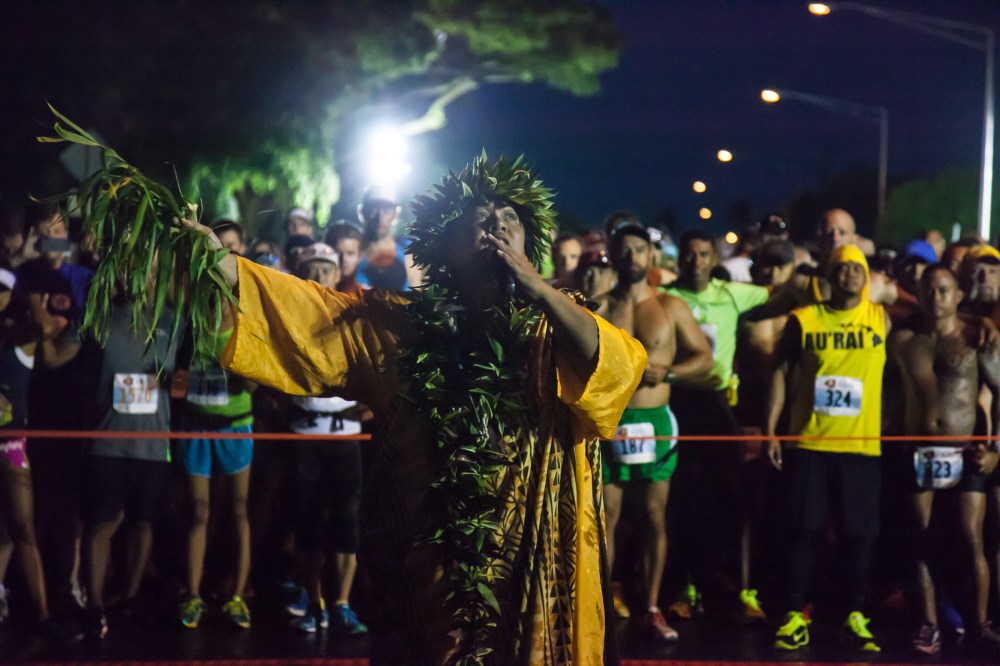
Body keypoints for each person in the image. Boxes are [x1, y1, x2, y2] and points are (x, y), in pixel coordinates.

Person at [177, 154, 645, 664]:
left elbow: (618, 366)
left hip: (536, 574)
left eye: (510, 217)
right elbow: (306, 311)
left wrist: (538, 289)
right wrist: (220, 261)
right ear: (445, 246)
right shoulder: (401, 331)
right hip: (433, 580)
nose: (497, 226)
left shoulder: (554, 327)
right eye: (481, 218)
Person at [767, 244, 890, 653]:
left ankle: (854, 614)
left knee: (859, 536)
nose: (849, 274)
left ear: (866, 276)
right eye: (842, 268)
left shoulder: (881, 318)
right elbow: (781, 372)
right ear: (829, 276)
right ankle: (793, 614)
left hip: (861, 446)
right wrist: (771, 430)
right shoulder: (803, 319)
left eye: (857, 268)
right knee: (804, 531)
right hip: (811, 442)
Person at [595, 224, 713, 642]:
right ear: (613, 255)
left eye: (639, 249)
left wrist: (670, 372)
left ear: (651, 256)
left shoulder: (670, 306)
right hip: (610, 421)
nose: (632, 257)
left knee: (652, 516)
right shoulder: (599, 306)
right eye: (624, 250)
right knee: (605, 518)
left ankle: (651, 607)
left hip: (655, 422)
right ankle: (599, 606)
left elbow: (705, 358)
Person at [889, 264, 1000, 654]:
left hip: (966, 451)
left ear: (957, 295)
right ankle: (928, 623)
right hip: (918, 449)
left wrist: (995, 449)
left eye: (943, 290)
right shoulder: (902, 339)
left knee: (971, 538)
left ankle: (981, 622)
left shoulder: (976, 340)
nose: (935, 297)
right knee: (922, 540)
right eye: (928, 290)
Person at [663, 228, 772, 618]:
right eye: (689, 254)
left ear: (714, 259)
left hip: (717, 403)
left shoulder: (732, 294)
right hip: (676, 401)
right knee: (679, 500)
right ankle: (684, 587)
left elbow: (780, 294)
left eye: (703, 254)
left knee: (730, 497)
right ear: (680, 258)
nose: (696, 261)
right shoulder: (666, 297)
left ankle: (735, 586)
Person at [282, 243, 367, 635]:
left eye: (325, 270)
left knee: (347, 522)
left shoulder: (353, 313)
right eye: (311, 270)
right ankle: (312, 599)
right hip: (305, 432)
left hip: (345, 433)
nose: (318, 277)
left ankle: (342, 604)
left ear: (337, 274)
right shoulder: (289, 314)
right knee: (307, 521)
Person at [177, 305, 254, 630]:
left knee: (239, 509)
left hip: (234, 426)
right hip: (196, 425)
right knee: (199, 510)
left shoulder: (243, 324)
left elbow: (254, 385)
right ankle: (193, 595)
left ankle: (237, 596)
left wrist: (241, 372)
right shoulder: (190, 322)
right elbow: (178, 372)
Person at [355, 186, 423, 290]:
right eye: (373, 209)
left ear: (395, 214)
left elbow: (416, 293)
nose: (380, 217)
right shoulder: (350, 250)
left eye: (386, 210)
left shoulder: (408, 250)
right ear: (363, 212)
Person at [324, 222, 366, 296]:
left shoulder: (365, 294)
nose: (343, 259)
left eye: (350, 253)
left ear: (359, 256)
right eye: (337, 252)